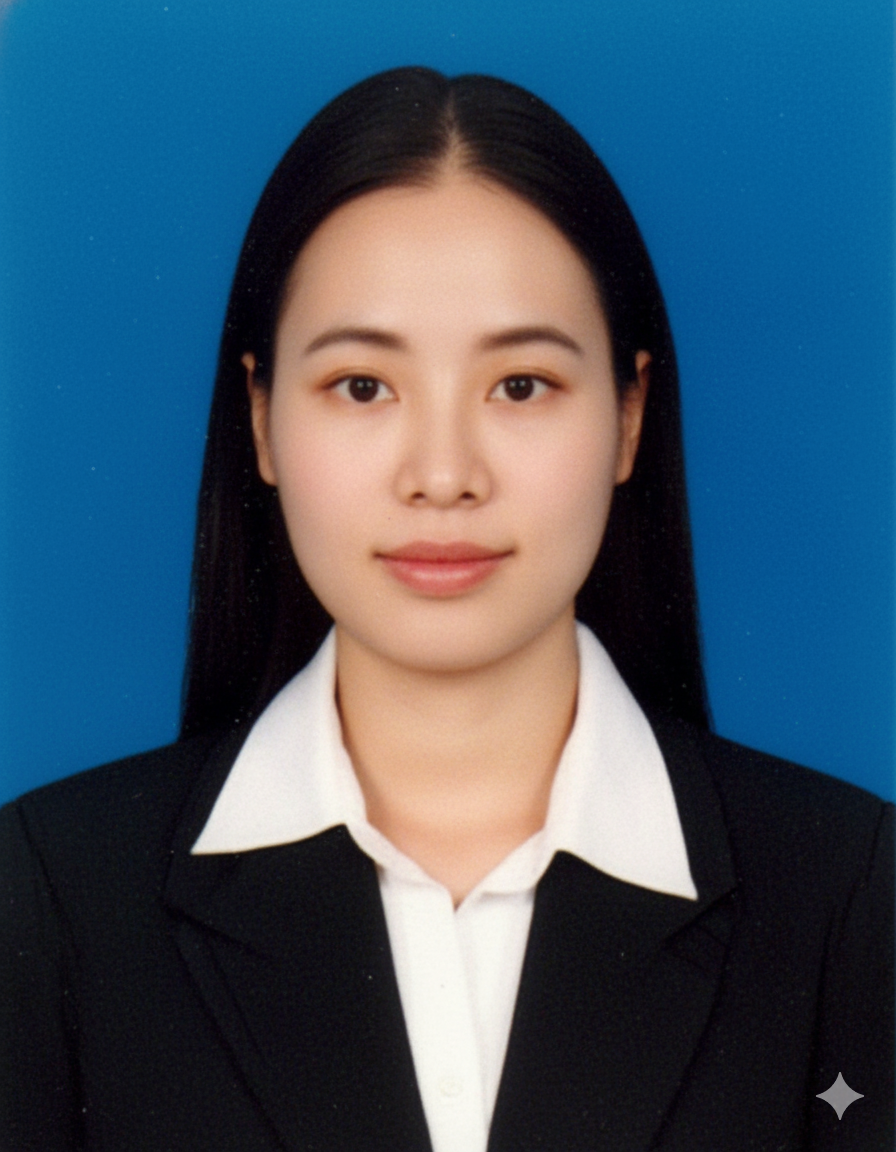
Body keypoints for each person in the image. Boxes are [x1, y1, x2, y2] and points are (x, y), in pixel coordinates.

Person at [1, 67, 891, 1152]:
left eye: (520, 385)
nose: (441, 475)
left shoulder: (852, 896)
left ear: (628, 415)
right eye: (361, 386)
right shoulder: (48, 899)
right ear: (262, 418)